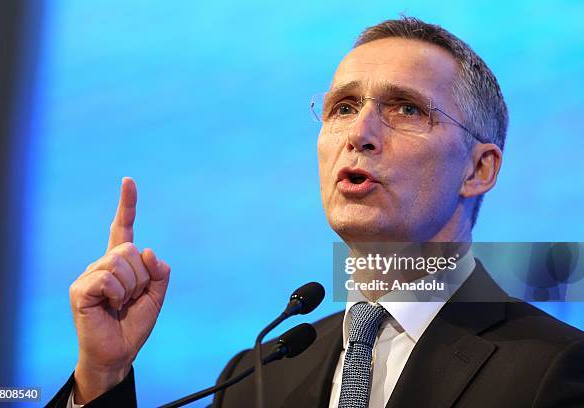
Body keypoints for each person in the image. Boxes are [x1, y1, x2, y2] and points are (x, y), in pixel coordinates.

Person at [47, 17, 584, 408]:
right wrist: (104, 375)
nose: (360, 134)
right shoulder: (256, 378)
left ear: (479, 169)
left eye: (405, 109)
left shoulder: (551, 371)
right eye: (343, 108)